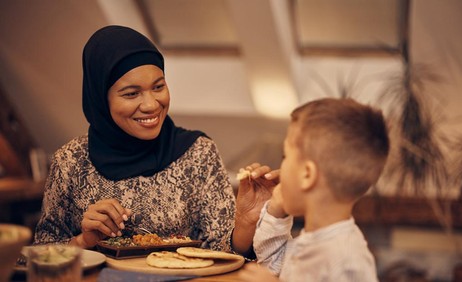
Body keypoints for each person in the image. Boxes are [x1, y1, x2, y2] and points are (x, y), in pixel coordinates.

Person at [33, 25, 276, 256]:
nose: (151, 105)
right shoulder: (71, 161)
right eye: (131, 94)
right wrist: (84, 241)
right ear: (100, 99)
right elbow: (41, 254)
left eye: (158, 87)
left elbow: (224, 252)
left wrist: (244, 224)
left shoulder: (198, 153)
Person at [238, 98, 390, 281]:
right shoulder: (310, 241)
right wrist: (275, 213)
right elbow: (272, 266)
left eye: (285, 156)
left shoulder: (347, 260)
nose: (280, 166)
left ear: (307, 175)